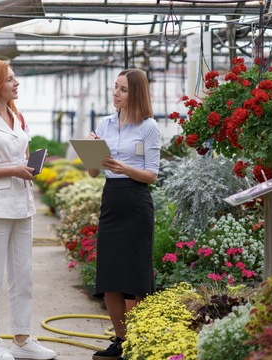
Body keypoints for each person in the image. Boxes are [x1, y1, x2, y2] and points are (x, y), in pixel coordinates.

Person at [0, 59, 57, 360]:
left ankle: (22, 337)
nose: (16, 83)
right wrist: (13, 169)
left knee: (23, 276)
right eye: (10, 79)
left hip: (22, 203)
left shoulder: (17, 117)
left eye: (15, 78)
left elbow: (22, 156)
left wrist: (29, 166)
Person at [86, 69, 160, 360]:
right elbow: (93, 172)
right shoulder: (104, 124)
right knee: (110, 275)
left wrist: (124, 168)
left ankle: (138, 341)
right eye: (115, 87)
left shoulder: (148, 127)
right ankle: (120, 341)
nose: (115, 93)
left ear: (136, 94)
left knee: (135, 276)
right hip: (112, 200)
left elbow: (152, 174)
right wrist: (92, 150)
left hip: (136, 200)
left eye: (123, 90)